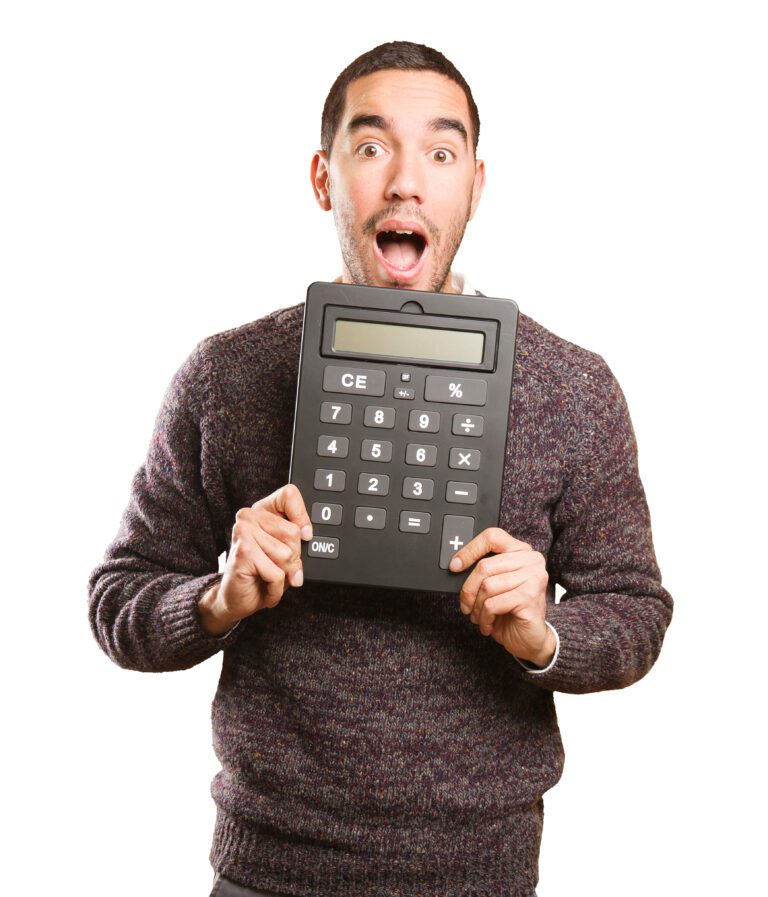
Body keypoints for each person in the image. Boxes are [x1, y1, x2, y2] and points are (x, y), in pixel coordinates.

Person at [88, 41, 673, 897]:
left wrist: (544, 634)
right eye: (372, 147)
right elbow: (118, 600)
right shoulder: (228, 374)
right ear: (324, 179)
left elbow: (637, 611)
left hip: (483, 876)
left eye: (440, 152)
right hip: (269, 871)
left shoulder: (573, 386)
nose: (406, 181)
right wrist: (218, 599)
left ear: (474, 184)